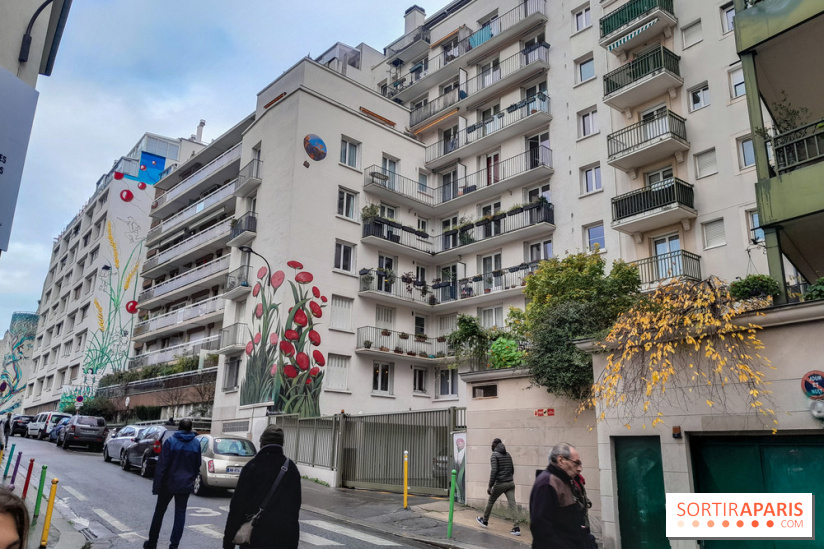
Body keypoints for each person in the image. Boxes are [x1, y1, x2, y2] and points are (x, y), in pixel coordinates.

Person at [223, 425, 301, 549]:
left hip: (256, 537)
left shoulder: (252, 466)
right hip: (284, 538)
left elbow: (237, 507)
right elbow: (295, 507)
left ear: (262, 443)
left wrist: (228, 542)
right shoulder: (291, 468)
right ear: (282, 443)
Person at [143, 418, 201, 549]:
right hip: (185, 484)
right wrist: (191, 479)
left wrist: (157, 486)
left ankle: (152, 542)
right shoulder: (196, 444)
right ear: (190, 429)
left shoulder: (170, 441)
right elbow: (197, 464)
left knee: (159, 512)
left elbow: (162, 466)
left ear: (179, 428)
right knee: (180, 514)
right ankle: (174, 545)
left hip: (168, 484)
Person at [529, 442, 592, 548]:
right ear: (561, 460)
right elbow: (541, 527)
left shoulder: (566, 481)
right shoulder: (547, 483)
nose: (579, 469)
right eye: (575, 463)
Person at [476, 438, 520, 536]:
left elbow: (494, 471)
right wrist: (508, 478)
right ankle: (516, 528)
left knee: (491, 501)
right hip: (510, 483)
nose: (491, 446)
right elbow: (512, 469)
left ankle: (485, 520)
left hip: (500, 483)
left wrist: (490, 486)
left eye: (492, 444)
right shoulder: (508, 454)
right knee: (513, 504)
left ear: (495, 445)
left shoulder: (494, 455)